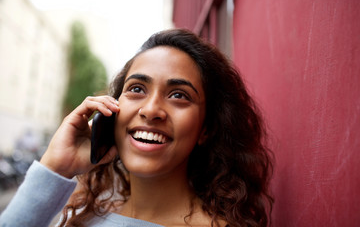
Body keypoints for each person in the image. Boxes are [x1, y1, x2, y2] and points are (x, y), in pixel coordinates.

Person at [0, 29, 273, 227]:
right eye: (137, 89)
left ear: (207, 128)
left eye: (179, 95)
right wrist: (56, 167)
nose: (151, 109)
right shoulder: (81, 216)